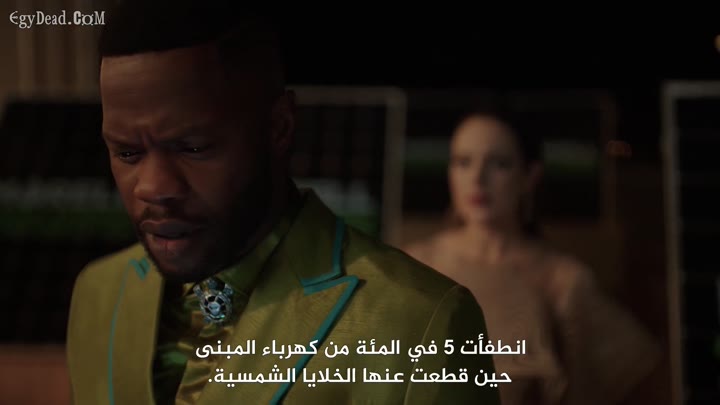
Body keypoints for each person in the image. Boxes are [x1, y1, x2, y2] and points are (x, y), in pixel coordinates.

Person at [65, 2, 499, 404]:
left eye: (194, 148)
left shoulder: (421, 326)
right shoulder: (99, 294)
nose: (154, 187)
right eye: (127, 153)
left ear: (279, 127)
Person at [404, 108, 661, 405]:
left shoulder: (562, 280)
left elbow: (640, 374)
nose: (477, 178)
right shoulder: (413, 267)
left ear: (529, 175)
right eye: (463, 162)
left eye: (499, 164)